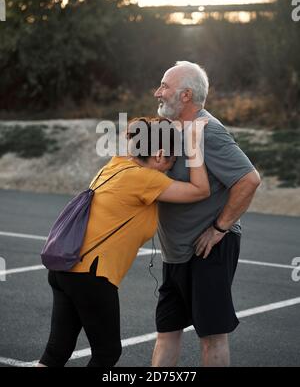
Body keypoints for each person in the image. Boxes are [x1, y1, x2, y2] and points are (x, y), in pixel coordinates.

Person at [38, 116, 210, 367]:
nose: (171, 170)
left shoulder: (115, 164)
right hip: (91, 276)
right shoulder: (146, 179)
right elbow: (201, 190)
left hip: (65, 270)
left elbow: (145, 134)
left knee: (56, 351)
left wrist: (169, 126)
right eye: (172, 162)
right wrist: (194, 143)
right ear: (160, 155)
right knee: (107, 353)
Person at [152, 61, 261, 367]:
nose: (158, 92)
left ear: (185, 95)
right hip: (175, 254)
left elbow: (249, 180)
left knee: (212, 335)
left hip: (207, 249)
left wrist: (220, 228)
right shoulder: (171, 130)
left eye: (164, 86)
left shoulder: (209, 132)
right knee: (167, 331)